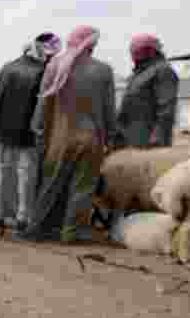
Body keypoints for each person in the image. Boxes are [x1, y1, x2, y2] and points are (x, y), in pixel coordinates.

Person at [17, 25, 118, 244]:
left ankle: (38, 228)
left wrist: (38, 129)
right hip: (91, 138)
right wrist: (111, 136)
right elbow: (109, 108)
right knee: (83, 186)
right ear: (91, 43)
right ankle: (72, 232)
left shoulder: (55, 65)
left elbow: (43, 102)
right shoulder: (103, 70)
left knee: (50, 184)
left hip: (60, 138)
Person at [0, 32, 62, 231]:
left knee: (1, 173)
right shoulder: (44, 71)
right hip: (29, 132)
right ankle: (23, 216)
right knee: (26, 175)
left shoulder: (7, 67)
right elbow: (44, 107)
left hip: (3, 131)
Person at [116, 33, 179, 148]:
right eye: (133, 51)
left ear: (151, 51)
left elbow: (167, 109)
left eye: (137, 50)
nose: (133, 54)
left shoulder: (163, 71)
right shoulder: (138, 74)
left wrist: (158, 135)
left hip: (149, 140)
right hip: (131, 137)